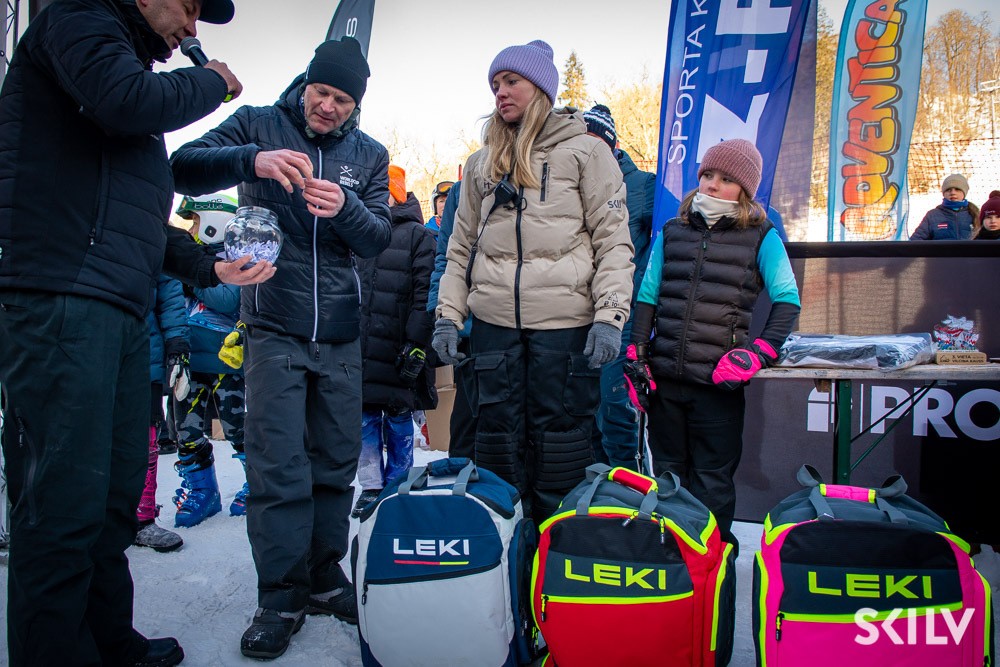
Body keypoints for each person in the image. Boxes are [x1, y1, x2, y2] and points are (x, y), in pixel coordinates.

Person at [0, 0, 274, 664]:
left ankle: (106, 638)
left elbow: (141, 224)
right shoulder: (78, 19)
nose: (192, 29)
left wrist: (207, 266)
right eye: (189, 6)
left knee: (112, 494)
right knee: (62, 500)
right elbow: (125, 100)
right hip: (62, 293)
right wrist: (212, 82)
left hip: (116, 305)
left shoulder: (124, 74)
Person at [169, 36, 392, 659]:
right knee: (278, 466)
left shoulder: (369, 154)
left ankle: (322, 576)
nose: (328, 107)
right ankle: (280, 595)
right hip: (272, 326)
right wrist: (253, 161)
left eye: (342, 99)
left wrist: (346, 208)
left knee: (335, 462)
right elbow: (182, 164)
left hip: (340, 331)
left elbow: (377, 236)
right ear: (305, 85)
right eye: (321, 92)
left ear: (355, 106)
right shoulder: (259, 124)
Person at [432, 39, 634, 526]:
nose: (500, 92)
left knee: (561, 448)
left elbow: (613, 242)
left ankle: (555, 555)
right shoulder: (481, 163)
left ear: (540, 89)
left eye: (511, 82)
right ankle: (503, 554)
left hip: (564, 331)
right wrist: (447, 316)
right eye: (495, 84)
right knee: (495, 445)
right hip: (493, 331)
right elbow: (459, 249)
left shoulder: (587, 152)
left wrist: (610, 317)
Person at [625, 138, 801, 547]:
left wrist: (759, 352)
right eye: (707, 174)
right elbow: (648, 296)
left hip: (717, 389)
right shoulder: (673, 231)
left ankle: (715, 561)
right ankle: (673, 560)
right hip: (665, 383)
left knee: (712, 482)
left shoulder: (761, 235)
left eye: (725, 178)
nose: (712, 184)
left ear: (744, 189)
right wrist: (637, 355)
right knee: (668, 478)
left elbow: (788, 300)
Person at [353, 165, 437, 517]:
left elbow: (425, 294)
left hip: (399, 344)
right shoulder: (356, 232)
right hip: (359, 344)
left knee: (399, 412)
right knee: (364, 416)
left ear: (396, 193)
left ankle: (399, 482)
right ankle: (371, 485)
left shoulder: (418, 236)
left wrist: (417, 342)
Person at [582, 103, 656, 471]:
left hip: (623, 315)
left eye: (596, 142)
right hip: (579, 315)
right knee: (586, 409)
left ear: (613, 146)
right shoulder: (572, 183)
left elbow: (672, 238)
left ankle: (631, 484)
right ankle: (600, 488)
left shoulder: (643, 185)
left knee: (616, 409)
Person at [171, 194, 250, 526]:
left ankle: (256, 482)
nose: (192, 230)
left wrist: (193, 280)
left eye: (196, 222)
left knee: (236, 427)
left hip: (224, 362)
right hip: (190, 360)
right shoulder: (186, 257)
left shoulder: (236, 259)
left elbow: (227, 298)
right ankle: (203, 490)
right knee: (186, 429)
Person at [134, 276, 189, 554]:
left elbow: (170, 292)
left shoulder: (154, 246)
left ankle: (142, 519)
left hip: (145, 352)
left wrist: (177, 342)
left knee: (146, 440)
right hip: (87, 346)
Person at [426, 180, 478, 458]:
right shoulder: (463, 189)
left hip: (533, 322)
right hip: (472, 324)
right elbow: (446, 260)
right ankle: (463, 473)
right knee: (468, 414)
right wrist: (443, 316)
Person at [909, 173, 980, 240]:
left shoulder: (975, 214)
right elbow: (916, 240)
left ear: (964, 192)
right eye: (948, 190)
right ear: (943, 193)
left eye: (957, 189)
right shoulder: (932, 215)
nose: (953, 193)